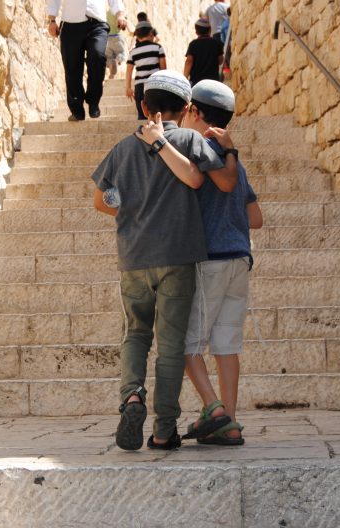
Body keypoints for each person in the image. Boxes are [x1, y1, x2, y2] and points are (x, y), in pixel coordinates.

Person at [91, 71, 235, 451]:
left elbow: (99, 200)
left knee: (136, 333)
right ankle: (163, 429)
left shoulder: (122, 149)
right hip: (178, 256)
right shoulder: (188, 139)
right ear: (187, 109)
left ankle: (132, 396)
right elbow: (208, 179)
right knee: (171, 345)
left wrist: (130, 209)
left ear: (143, 106)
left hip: (134, 256)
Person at [180, 80, 263, 446]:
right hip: (239, 260)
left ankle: (213, 408)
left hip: (210, 259)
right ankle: (230, 420)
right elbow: (256, 217)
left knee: (187, 342)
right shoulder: (234, 159)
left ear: (196, 112)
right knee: (227, 345)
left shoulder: (199, 149)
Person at [46, 0, 127, 121]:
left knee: (98, 57)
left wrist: (120, 14)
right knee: (72, 67)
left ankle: (93, 101)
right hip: (70, 22)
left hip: (97, 23)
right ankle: (77, 110)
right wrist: (52, 20)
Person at [126, 21, 166, 120]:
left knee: (142, 114)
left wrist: (128, 87)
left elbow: (129, 71)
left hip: (139, 86)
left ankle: (143, 133)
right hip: (155, 84)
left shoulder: (133, 52)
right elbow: (163, 68)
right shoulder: (158, 47)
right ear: (151, 33)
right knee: (158, 113)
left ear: (137, 36)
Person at [184, 19, 224, 86]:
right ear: (209, 30)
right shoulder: (216, 43)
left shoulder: (193, 44)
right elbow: (220, 60)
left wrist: (185, 78)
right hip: (213, 81)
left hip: (196, 82)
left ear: (196, 32)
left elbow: (189, 61)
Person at [105, 10, 127, 79]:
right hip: (117, 37)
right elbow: (123, 25)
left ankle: (111, 71)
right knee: (121, 52)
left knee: (109, 56)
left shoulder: (106, 13)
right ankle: (117, 61)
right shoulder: (120, 12)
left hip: (107, 38)